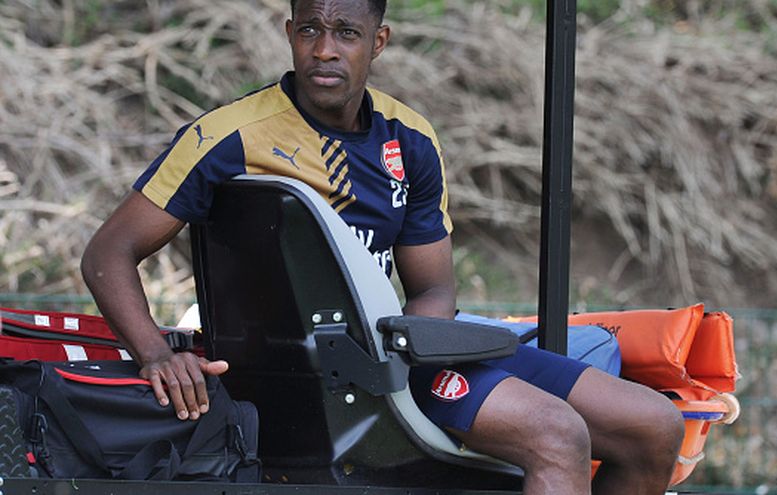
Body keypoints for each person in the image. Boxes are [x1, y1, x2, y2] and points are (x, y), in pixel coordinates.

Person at [81, 1, 684, 493]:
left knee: (654, 426)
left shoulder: (409, 139)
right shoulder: (227, 136)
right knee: (557, 435)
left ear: (379, 41)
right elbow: (108, 253)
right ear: (289, 34)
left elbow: (433, 288)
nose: (325, 49)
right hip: (314, 381)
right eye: (310, 30)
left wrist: (409, 358)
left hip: (404, 355)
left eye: (346, 32)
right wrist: (155, 353)